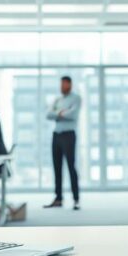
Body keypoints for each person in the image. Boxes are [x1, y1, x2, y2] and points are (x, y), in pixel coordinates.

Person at [44, 76, 81, 210]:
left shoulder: (76, 98)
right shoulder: (57, 99)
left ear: (69, 84)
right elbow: (48, 114)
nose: (62, 87)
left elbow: (73, 115)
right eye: (61, 84)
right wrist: (61, 112)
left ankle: (76, 199)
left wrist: (57, 113)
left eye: (64, 84)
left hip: (69, 135)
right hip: (56, 135)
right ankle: (58, 198)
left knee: (71, 167)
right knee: (57, 168)